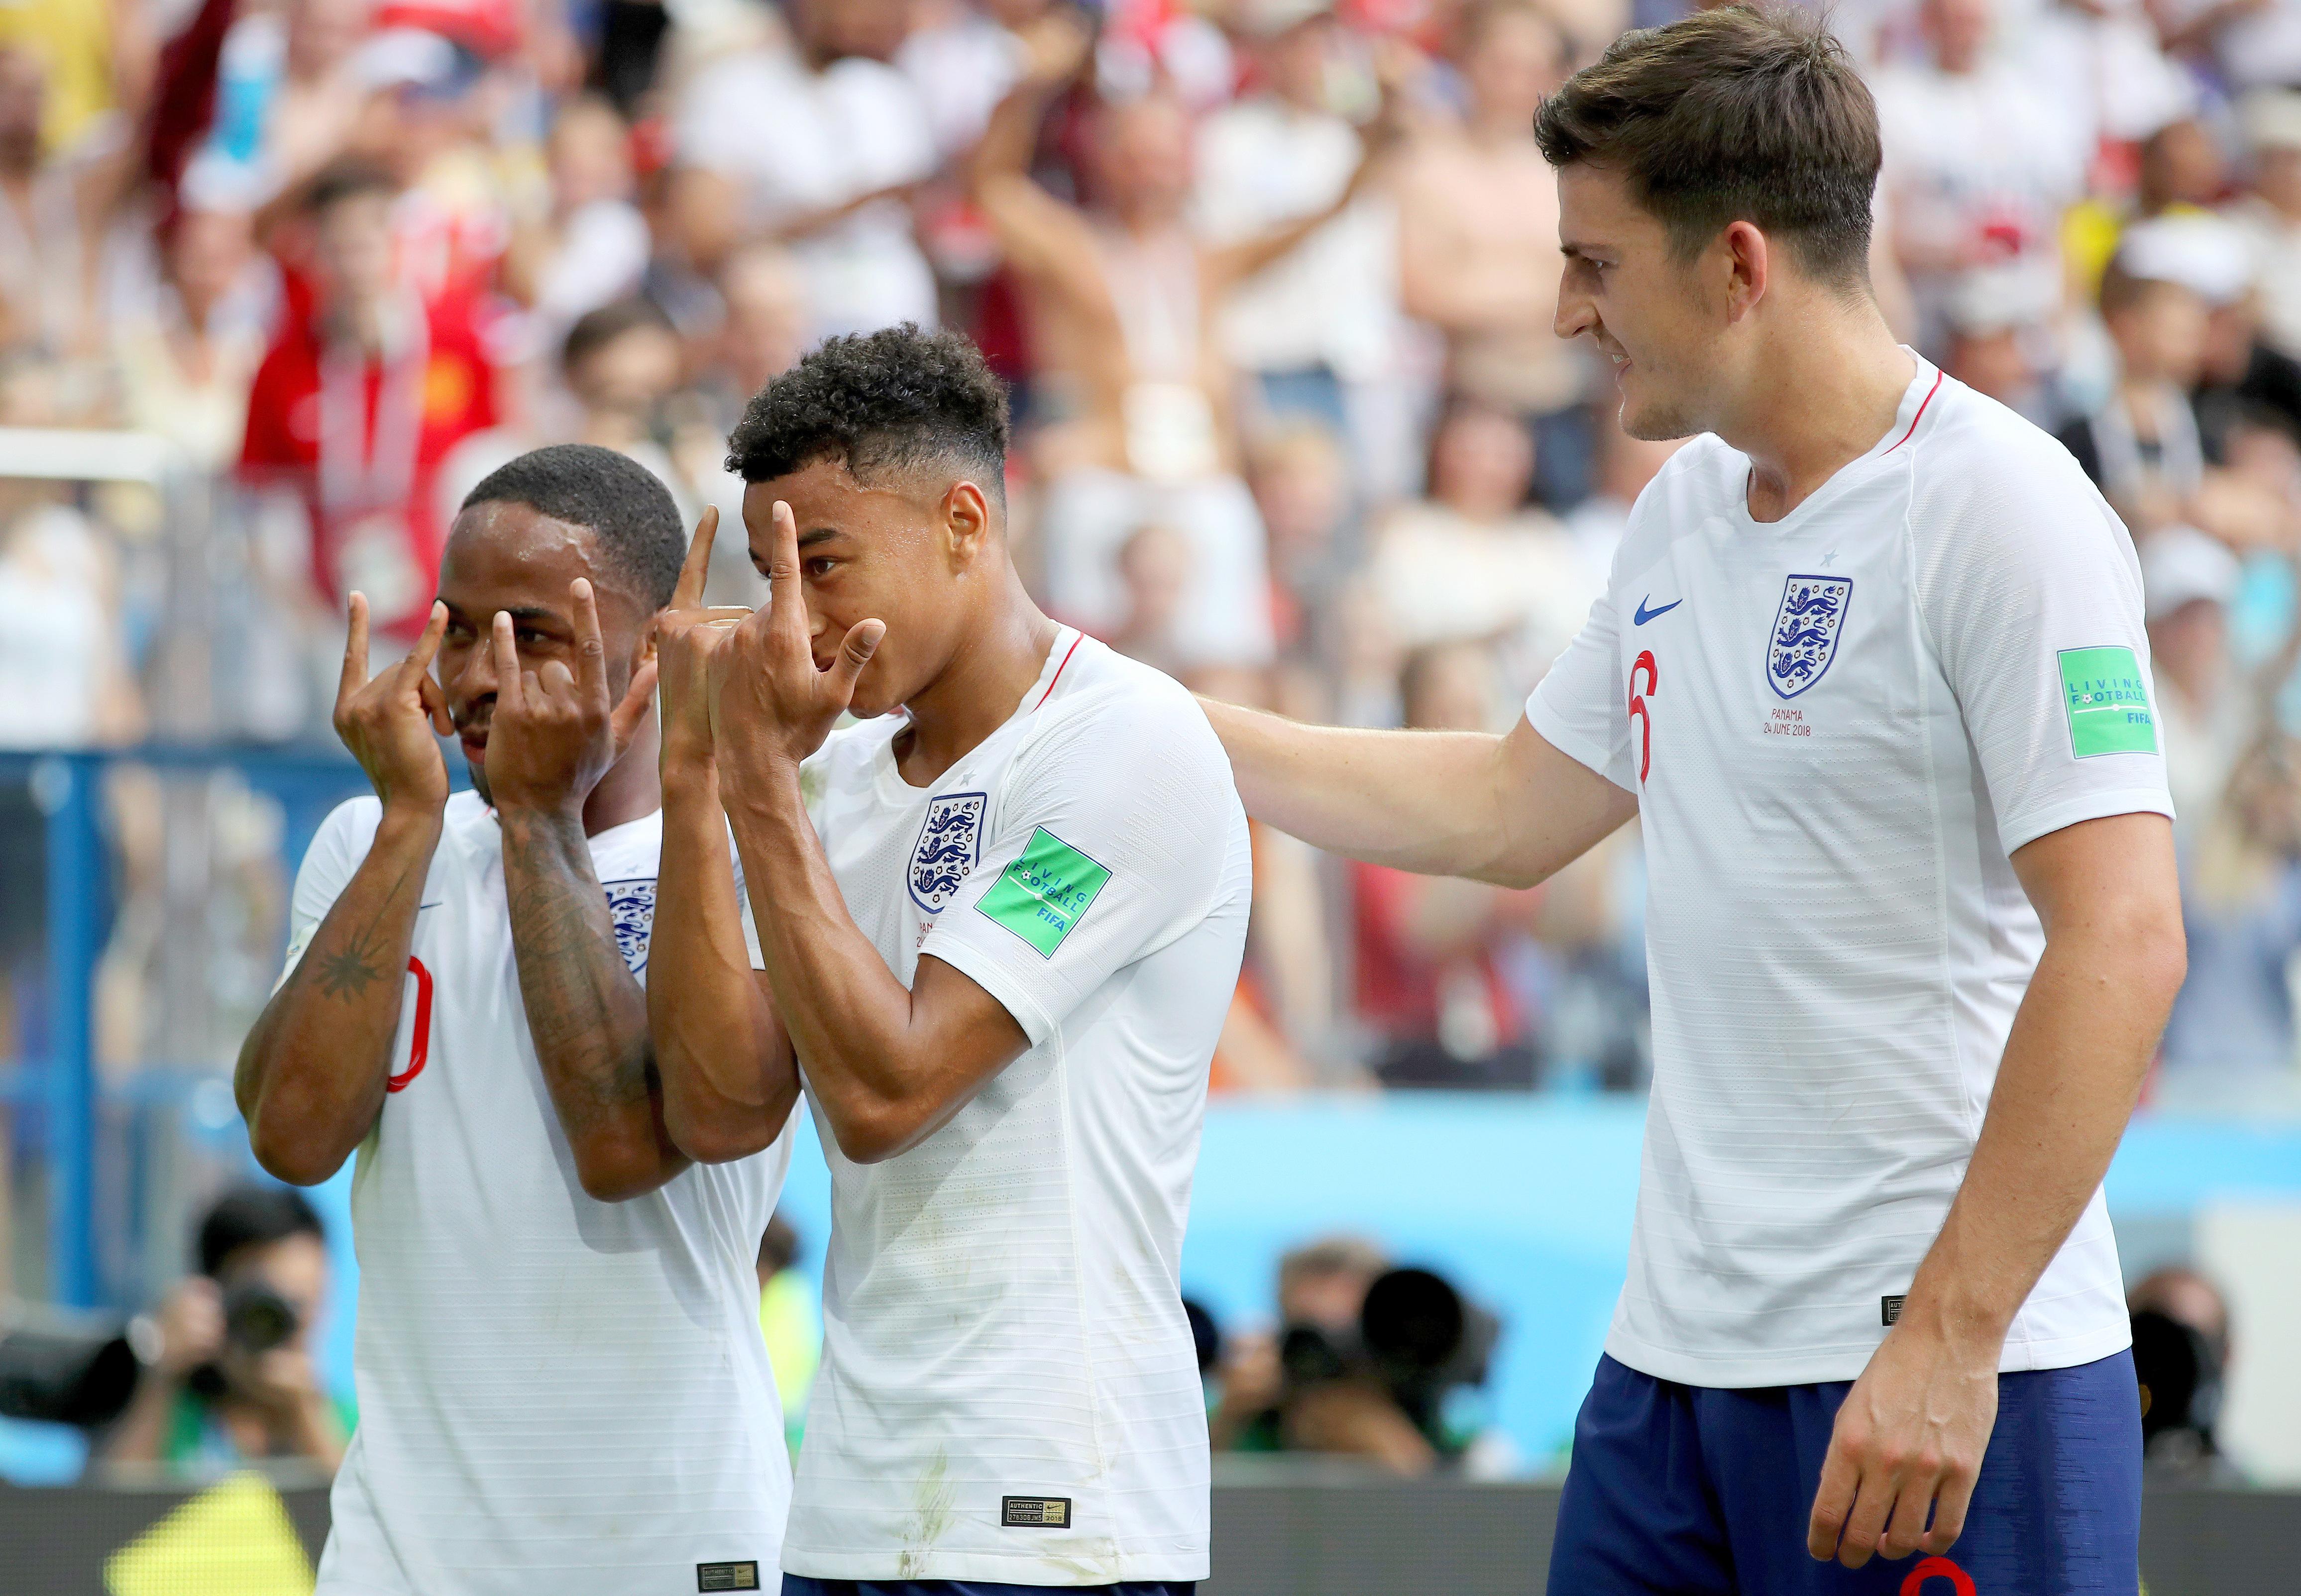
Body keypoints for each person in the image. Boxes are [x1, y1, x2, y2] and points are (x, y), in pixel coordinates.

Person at [1201, 11, 2184, 1593]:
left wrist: (1948, 1337)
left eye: (1593, 263)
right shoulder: (1680, 514)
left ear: (1735, 263)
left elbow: (2125, 942)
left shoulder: (2004, 511)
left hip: (1931, 1381)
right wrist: (1158, 723)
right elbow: (1508, 808)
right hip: (1670, 1373)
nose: (1562, 310)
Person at [646, 324, 1251, 1591]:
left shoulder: (1124, 745)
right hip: (854, 1505)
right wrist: (696, 774)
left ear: (965, 522)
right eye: (769, 576)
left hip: (1053, 1513)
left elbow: (885, 1095)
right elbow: (719, 1106)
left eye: (823, 562)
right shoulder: (848, 775)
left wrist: (754, 776)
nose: (789, 621)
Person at [234, 443, 795, 1595]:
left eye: (537, 635)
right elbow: (293, 1138)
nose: (483, 675)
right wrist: (404, 824)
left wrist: (541, 821)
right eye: (457, 629)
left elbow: (624, 1149)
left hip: (669, 1548)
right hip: (402, 1556)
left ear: (653, 652)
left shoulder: (738, 860)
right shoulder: (373, 839)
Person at [974, 10, 1392, 670]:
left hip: (1203, 483)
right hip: (1101, 475)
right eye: (1134, 153)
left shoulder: (1208, 259)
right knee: (1086, 669)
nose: (1151, 169)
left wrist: (1380, 129)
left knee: (1227, 665)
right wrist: (1027, 91)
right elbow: (993, 188)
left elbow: (1330, 209)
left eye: (1165, 153)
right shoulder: (1072, 248)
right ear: (1101, 157)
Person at [101, 1184, 348, 1479]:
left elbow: (359, 1516)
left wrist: (306, 1415)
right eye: (266, 1306)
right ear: (212, 1297)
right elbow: (112, 1511)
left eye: (304, 1306)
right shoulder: (168, 1410)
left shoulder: (351, 1424)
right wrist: (161, 1375)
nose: (285, 1329)